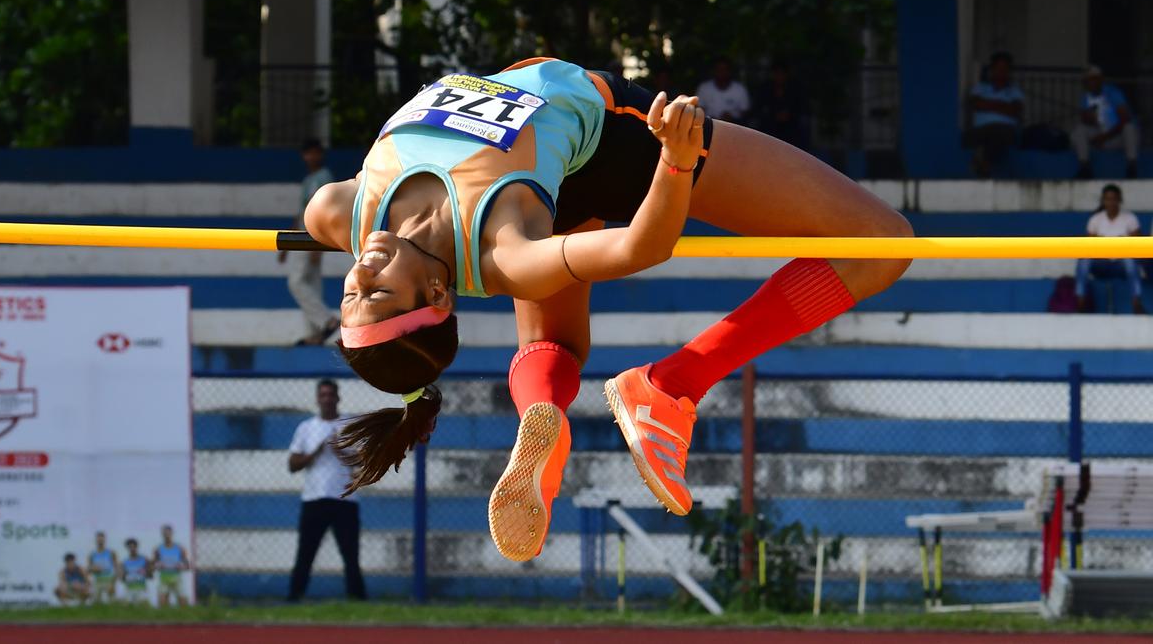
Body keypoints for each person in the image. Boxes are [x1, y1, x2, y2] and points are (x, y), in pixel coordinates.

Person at [305, 57, 911, 563]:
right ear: (438, 295)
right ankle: (674, 384)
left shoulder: (336, 213)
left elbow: (349, 247)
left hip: (553, 172)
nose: (360, 271)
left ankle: (543, 411)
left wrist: (378, 289)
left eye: (351, 293)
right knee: (882, 242)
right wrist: (675, 158)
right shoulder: (505, 252)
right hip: (615, 142)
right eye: (378, 291)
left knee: (557, 350)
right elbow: (639, 247)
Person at [286, 378, 367, 602]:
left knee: (350, 554)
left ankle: (357, 599)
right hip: (314, 499)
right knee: (306, 552)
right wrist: (317, 451)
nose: (327, 399)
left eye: (331, 395)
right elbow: (293, 465)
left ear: (338, 398)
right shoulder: (306, 428)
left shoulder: (350, 423)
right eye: (323, 395)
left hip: (344, 500)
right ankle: (294, 596)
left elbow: (364, 459)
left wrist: (341, 449)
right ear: (317, 399)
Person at [280, 138, 340, 345]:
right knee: (312, 284)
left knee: (295, 282)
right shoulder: (309, 180)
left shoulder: (325, 178)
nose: (311, 157)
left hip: (313, 236)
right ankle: (316, 333)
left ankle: (327, 321)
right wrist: (286, 245)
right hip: (302, 236)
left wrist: (321, 244)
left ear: (320, 155)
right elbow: (301, 212)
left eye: (315, 153)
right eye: (308, 153)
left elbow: (327, 210)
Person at [1076, 183, 1144, 314]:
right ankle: (1080, 303)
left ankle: (1136, 304)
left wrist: (1122, 244)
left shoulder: (1130, 218)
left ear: (1120, 200)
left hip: (1121, 264)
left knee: (1130, 261)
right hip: (1101, 263)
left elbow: (1138, 246)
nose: (1111, 202)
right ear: (1103, 200)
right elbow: (1089, 247)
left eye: (1114, 199)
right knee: (1084, 260)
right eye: (1107, 199)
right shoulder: (1095, 219)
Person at [1072, 66, 1140, 179]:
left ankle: (1131, 167)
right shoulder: (1085, 98)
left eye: (1094, 79)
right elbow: (1086, 121)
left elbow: (1124, 119)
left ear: (1100, 80)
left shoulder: (1113, 93)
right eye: (1088, 80)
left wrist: (1104, 137)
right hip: (1102, 137)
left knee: (1129, 127)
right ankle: (1085, 167)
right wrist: (1089, 118)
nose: (1091, 82)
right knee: (1078, 131)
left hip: (1118, 138)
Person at [965, 51, 1023, 177]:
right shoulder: (980, 87)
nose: (1001, 71)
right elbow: (976, 104)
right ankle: (983, 163)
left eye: (1005, 68)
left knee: (999, 132)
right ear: (992, 69)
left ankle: (984, 164)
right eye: (998, 67)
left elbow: (1015, 110)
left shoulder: (1014, 90)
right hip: (980, 130)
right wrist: (1002, 105)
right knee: (970, 136)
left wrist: (988, 104)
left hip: (1006, 131)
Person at [753, 57, 808, 150]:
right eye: (777, 73)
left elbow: (803, 109)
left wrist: (789, 115)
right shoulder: (765, 89)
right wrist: (773, 115)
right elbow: (757, 110)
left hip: (791, 128)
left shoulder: (796, 89)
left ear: (787, 75)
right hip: (770, 127)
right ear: (773, 74)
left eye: (782, 73)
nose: (779, 77)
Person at [695, 56, 750, 125]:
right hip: (708, 125)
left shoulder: (740, 89)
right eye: (719, 69)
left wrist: (732, 117)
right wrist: (712, 119)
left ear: (730, 71)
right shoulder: (704, 88)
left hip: (734, 126)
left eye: (725, 69)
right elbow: (698, 110)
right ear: (714, 71)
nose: (722, 72)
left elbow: (745, 112)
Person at [152, 524, 190, 607]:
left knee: (183, 601)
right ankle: (164, 617)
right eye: (164, 534)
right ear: (162, 535)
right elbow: (153, 566)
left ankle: (183, 617)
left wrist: (181, 567)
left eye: (168, 533)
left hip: (177, 579)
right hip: (164, 579)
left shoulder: (179, 548)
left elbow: (187, 566)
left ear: (172, 534)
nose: (167, 536)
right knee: (162, 601)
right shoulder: (158, 549)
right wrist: (157, 566)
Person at [86, 531, 118, 603]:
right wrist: (93, 569)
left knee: (112, 602)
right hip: (97, 581)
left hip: (108, 580)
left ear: (105, 540)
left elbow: (117, 569)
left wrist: (113, 583)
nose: (100, 541)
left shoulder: (111, 552)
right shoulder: (92, 554)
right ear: (96, 540)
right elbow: (88, 570)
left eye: (102, 539)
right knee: (96, 602)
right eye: (98, 539)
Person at [119, 537, 151, 604]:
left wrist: (146, 572)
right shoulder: (125, 562)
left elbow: (150, 576)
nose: (132, 549)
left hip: (141, 589)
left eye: (134, 547)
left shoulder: (144, 560)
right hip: (129, 589)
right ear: (127, 548)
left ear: (137, 547)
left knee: (143, 608)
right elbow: (122, 579)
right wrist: (123, 574)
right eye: (130, 547)